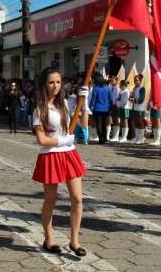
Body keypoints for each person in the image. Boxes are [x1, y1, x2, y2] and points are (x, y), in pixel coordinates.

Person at [32, 67, 88, 257]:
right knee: (50, 199)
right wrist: (62, 140)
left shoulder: (65, 103)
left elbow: (84, 124)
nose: (55, 86)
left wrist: (84, 103)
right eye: (51, 82)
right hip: (51, 155)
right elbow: (41, 139)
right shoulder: (39, 109)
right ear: (44, 84)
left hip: (69, 154)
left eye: (58, 82)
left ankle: (74, 241)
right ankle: (49, 239)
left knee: (78, 198)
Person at [89, 73, 113, 144]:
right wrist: (110, 107)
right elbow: (110, 99)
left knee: (99, 124)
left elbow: (93, 99)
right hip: (106, 109)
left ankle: (100, 139)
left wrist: (91, 107)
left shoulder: (95, 88)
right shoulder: (107, 88)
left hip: (97, 108)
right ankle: (105, 138)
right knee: (104, 124)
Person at [131, 74, 147, 144]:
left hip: (140, 108)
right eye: (134, 80)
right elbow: (133, 96)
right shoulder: (134, 88)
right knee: (136, 123)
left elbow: (141, 99)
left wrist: (133, 100)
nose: (135, 81)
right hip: (135, 107)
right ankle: (137, 138)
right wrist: (131, 97)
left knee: (140, 123)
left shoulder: (142, 88)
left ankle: (141, 138)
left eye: (137, 80)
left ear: (140, 81)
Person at [109, 76, 121, 141]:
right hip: (112, 105)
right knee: (113, 120)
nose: (111, 81)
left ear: (116, 80)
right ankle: (114, 135)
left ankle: (116, 136)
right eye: (111, 80)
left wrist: (115, 103)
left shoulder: (118, 88)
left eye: (112, 80)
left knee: (116, 120)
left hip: (116, 105)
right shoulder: (112, 87)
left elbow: (117, 97)